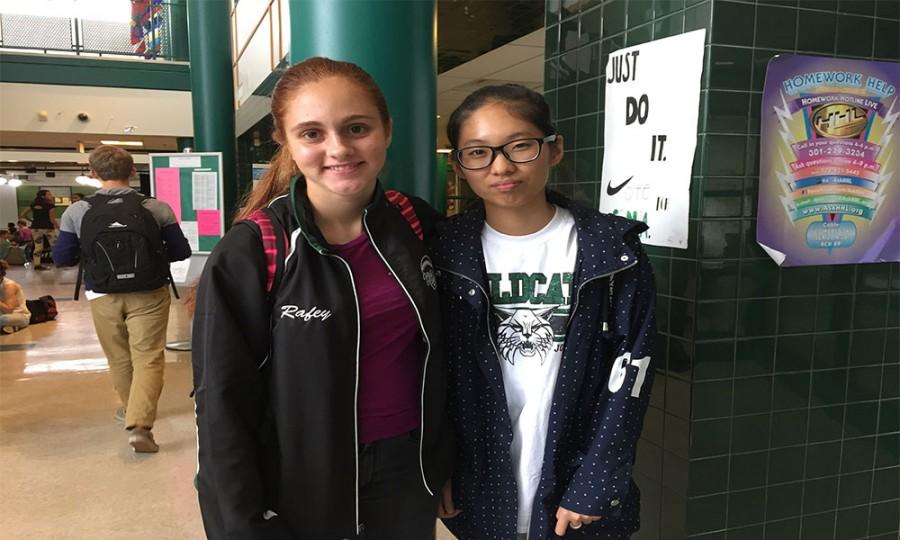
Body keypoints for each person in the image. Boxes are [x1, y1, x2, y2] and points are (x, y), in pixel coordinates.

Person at [192, 57, 453, 540]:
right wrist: (240, 524)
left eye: (357, 127)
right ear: (286, 142)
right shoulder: (254, 249)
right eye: (312, 133)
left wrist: (443, 458)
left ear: (387, 129)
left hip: (406, 470)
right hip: (300, 481)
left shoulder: (415, 224)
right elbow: (221, 404)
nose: (338, 148)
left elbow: (450, 351)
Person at [434, 84, 657, 540]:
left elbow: (634, 371)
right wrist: (436, 465)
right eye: (478, 152)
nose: (501, 166)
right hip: (479, 480)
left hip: (575, 482)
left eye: (519, 146)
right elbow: (428, 374)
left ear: (553, 149)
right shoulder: (442, 253)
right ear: (459, 165)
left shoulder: (613, 250)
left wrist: (596, 481)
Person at [52, 145, 192, 453]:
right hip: (150, 291)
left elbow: (62, 257)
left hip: (102, 293)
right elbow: (181, 251)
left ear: (93, 173)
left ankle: (132, 412)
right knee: (148, 356)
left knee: (119, 356)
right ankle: (140, 423)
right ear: (131, 171)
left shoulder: (78, 211)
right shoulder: (156, 207)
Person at [20, 189, 57, 270]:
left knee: (38, 247)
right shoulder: (51, 206)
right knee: (54, 246)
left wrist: (31, 220)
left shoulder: (33, 205)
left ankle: (37, 264)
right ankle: (58, 262)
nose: (51, 195)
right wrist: (58, 227)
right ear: (43, 196)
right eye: (49, 194)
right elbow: (52, 219)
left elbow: (22, 215)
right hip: (48, 228)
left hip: (35, 228)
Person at [0, 260, 30, 334]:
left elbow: (9, 310)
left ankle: (10, 326)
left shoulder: (9, 286)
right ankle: (9, 327)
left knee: (3, 319)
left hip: (18, 316)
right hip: (2, 313)